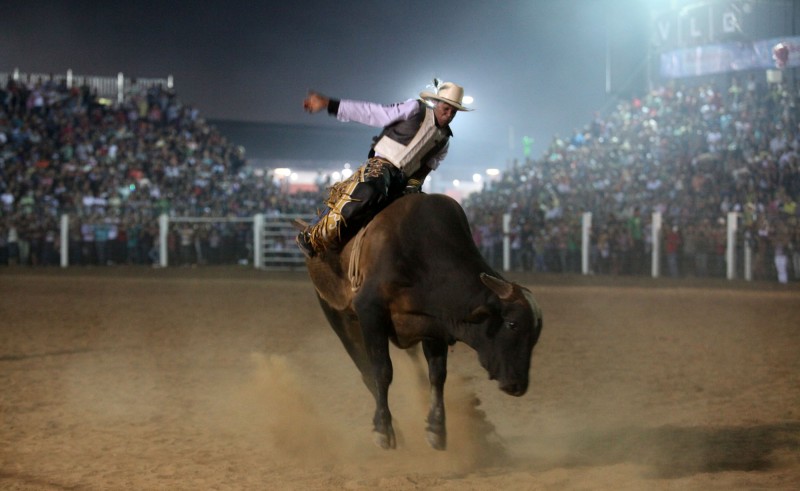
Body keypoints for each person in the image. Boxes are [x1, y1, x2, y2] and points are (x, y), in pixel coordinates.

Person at [295, 80, 472, 258]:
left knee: (424, 213)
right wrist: (329, 104)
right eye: (446, 109)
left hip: (403, 181)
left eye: (453, 112)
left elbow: (426, 168)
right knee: (370, 189)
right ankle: (314, 236)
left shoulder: (444, 141)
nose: (449, 115)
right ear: (436, 103)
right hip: (381, 167)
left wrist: (413, 185)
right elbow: (374, 113)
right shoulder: (415, 109)